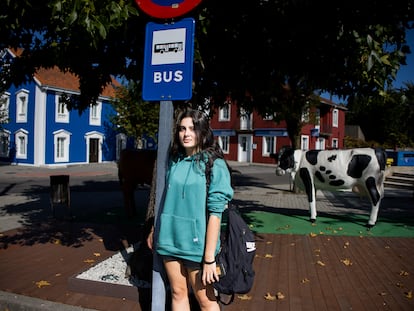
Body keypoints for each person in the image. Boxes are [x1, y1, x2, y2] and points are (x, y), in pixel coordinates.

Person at [147, 108, 234, 310]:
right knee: (178, 294)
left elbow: (215, 214)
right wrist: (155, 229)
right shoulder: (174, 161)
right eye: (182, 129)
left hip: (198, 247)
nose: (186, 134)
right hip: (170, 240)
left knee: (205, 301)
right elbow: (166, 201)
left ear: (203, 132)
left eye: (192, 129)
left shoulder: (215, 164)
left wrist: (209, 258)